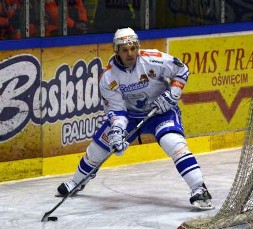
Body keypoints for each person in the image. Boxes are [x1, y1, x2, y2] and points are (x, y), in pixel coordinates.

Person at [57, 27, 213, 210]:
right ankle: (76, 182)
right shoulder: (108, 77)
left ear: (138, 46)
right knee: (97, 150)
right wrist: (117, 131)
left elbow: (182, 70)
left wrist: (173, 94)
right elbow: (117, 110)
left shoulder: (153, 59)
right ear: (117, 51)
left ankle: (199, 188)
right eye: (124, 50)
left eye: (133, 48)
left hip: (160, 112)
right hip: (129, 116)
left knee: (173, 142)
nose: (130, 54)